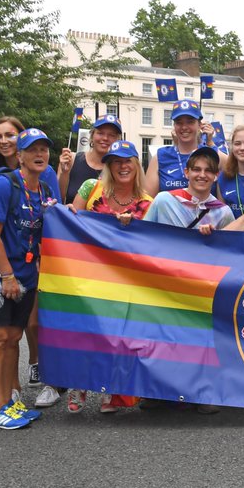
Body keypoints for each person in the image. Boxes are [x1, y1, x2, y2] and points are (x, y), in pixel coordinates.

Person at [0, 128, 56, 430]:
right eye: (32, 150)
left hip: (26, 276)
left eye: (44, 149)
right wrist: (7, 276)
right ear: (19, 156)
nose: (39, 155)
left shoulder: (43, 190)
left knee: (13, 338)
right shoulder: (3, 185)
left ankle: (9, 402)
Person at [140, 145, 236, 413]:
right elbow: (143, 236)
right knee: (163, 337)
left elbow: (232, 253)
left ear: (216, 176)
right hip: (166, 284)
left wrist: (213, 239)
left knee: (199, 339)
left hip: (201, 287)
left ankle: (202, 392)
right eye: (196, 169)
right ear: (186, 172)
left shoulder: (223, 213)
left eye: (208, 171)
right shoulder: (164, 200)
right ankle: (158, 392)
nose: (202, 175)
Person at [66, 139, 153, 414]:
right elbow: (71, 223)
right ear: (108, 166)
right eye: (116, 161)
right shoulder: (91, 188)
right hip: (89, 274)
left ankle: (110, 391)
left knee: (117, 336)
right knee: (86, 333)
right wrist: (68, 213)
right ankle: (77, 386)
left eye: (127, 160)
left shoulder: (148, 203)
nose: (122, 166)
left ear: (136, 165)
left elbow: (152, 244)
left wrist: (133, 228)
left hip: (126, 279)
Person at [144, 100, 224, 196]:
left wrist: (210, 143)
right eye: (179, 122)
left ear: (199, 125)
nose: (184, 127)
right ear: (174, 125)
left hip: (206, 211)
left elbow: (235, 167)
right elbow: (148, 200)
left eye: (190, 122)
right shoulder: (160, 156)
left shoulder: (211, 153)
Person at [57, 114, 122, 204]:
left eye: (112, 135)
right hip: (72, 217)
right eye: (100, 133)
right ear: (92, 135)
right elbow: (58, 198)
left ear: (118, 140)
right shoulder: (71, 160)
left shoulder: (120, 168)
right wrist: (64, 173)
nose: (105, 138)